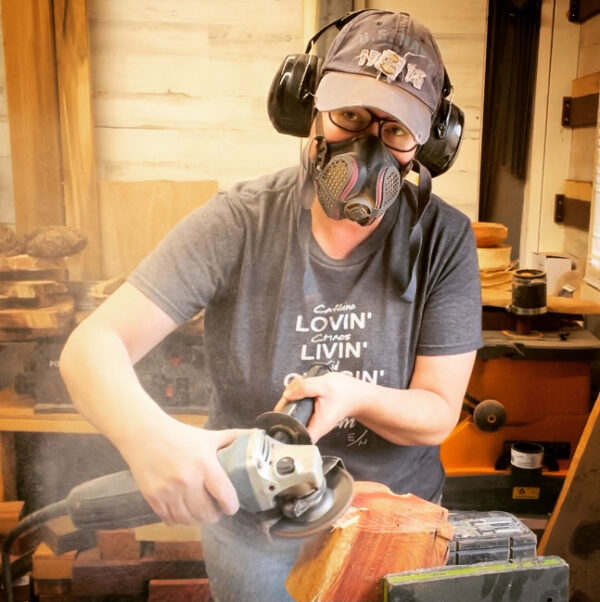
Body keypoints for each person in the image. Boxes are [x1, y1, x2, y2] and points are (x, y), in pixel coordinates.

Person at [59, 9, 482, 601]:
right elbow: (90, 348)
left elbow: (438, 411)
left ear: (429, 144)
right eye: (352, 115)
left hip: (393, 520)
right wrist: (149, 437)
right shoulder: (240, 222)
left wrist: (351, 394)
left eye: (396, 131)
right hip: (253, 525)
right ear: (305, 107)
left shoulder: (444, 238)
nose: (367, 147)